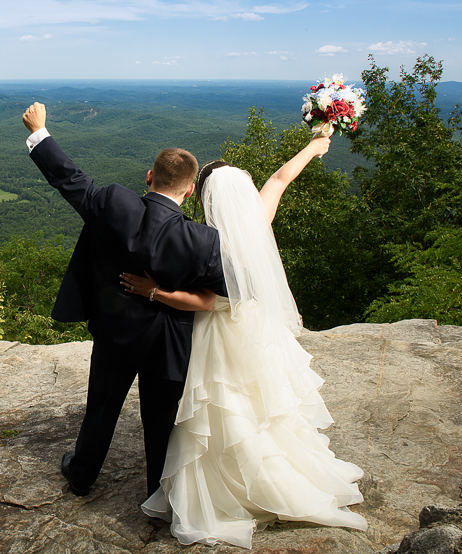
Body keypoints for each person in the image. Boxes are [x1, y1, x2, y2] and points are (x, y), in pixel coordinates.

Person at [120, 136, 368, 549]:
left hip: (218, 336)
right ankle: (270, 470)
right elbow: (281, 178)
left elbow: (202, 301)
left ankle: (229, 486)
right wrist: (315, 145)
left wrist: (152, 291)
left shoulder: (208, 243)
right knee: (262, 407)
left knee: (220, 407)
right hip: (255, 332)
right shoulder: (255, 223)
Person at [21, 102, 228, 498]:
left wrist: (39, 131)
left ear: (149, 177)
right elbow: (224, 295)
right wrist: (162, 294)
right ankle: (160, 498)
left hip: (115, 334)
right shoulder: (203, 241)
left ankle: (81, 474)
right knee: (162, 426)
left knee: (100, 409)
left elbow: (69, 179)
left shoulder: (115, 204)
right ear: (189, 190)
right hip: (168, 345)